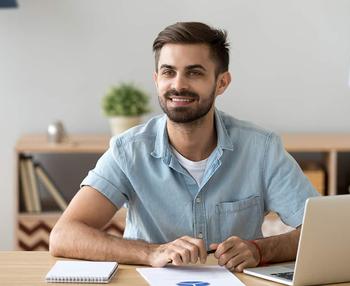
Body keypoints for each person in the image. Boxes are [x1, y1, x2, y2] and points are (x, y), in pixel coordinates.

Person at [49, 22, 319, 272]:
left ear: (221, 82)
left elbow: (321, 231)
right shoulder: (128, 151)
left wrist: (260, 250)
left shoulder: (261, 149)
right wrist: (151, 253)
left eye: (194, 73)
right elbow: (64, 235)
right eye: (169, 72)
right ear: (157, 80)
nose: (178, 85)